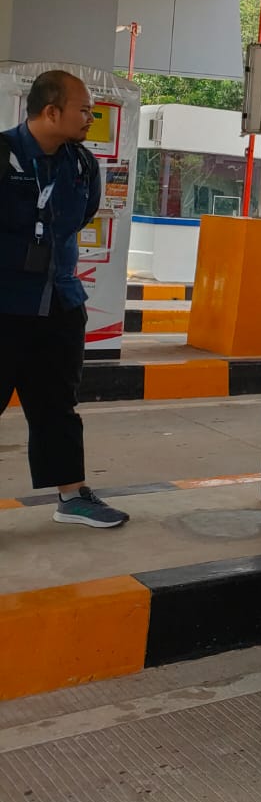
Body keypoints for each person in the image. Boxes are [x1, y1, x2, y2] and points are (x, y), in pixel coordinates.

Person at [0, 70, 127, 528]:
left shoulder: (81, 165)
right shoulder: (4, 155)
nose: (90, 118)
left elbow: (80, 216)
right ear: (51, 111)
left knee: (57, 405)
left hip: (59, 304)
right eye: (84, 109)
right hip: (5, 305)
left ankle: (72, 497)